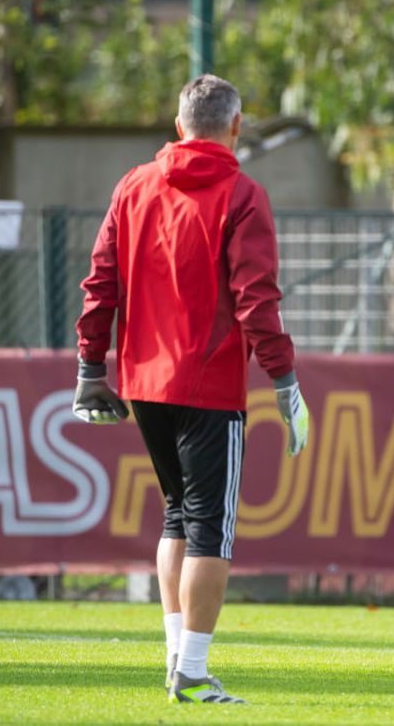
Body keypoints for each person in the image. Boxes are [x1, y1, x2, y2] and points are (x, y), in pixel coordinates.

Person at [73, 73, 310, 705]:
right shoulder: (242, 193)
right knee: (212, 530)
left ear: (179, 126)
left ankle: (178, 660)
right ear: (236, 127)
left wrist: (90, 367)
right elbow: (257, 301)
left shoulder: (133, 185)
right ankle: (194, 671)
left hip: (142, 382)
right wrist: (284, 380)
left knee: (177, 517)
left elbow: (99, 282)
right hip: (207, 386)